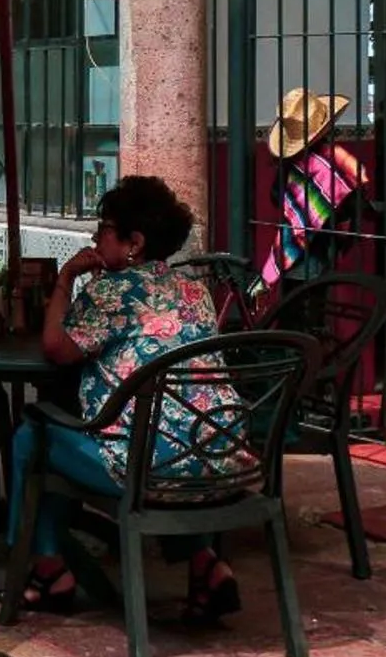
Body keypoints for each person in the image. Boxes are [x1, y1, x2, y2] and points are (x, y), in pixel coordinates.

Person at [14, 176, 249, 622]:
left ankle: (48, 567)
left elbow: (56, 348)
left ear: (134, 243)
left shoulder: (110, 291)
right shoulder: (195, 290)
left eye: (104, 228)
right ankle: (205, 562)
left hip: (151, 472)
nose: (94, 237)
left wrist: (65, 278)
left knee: (34, 435)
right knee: (171, 435)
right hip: (222, 460)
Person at [248, 89, 368, 307]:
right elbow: (354, 203)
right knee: (314, 306)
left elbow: (275, 196)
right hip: (323, 247)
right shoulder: (335, 159)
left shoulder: (292, 163)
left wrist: (302, 205)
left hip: (297, 247)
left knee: (291, 305)